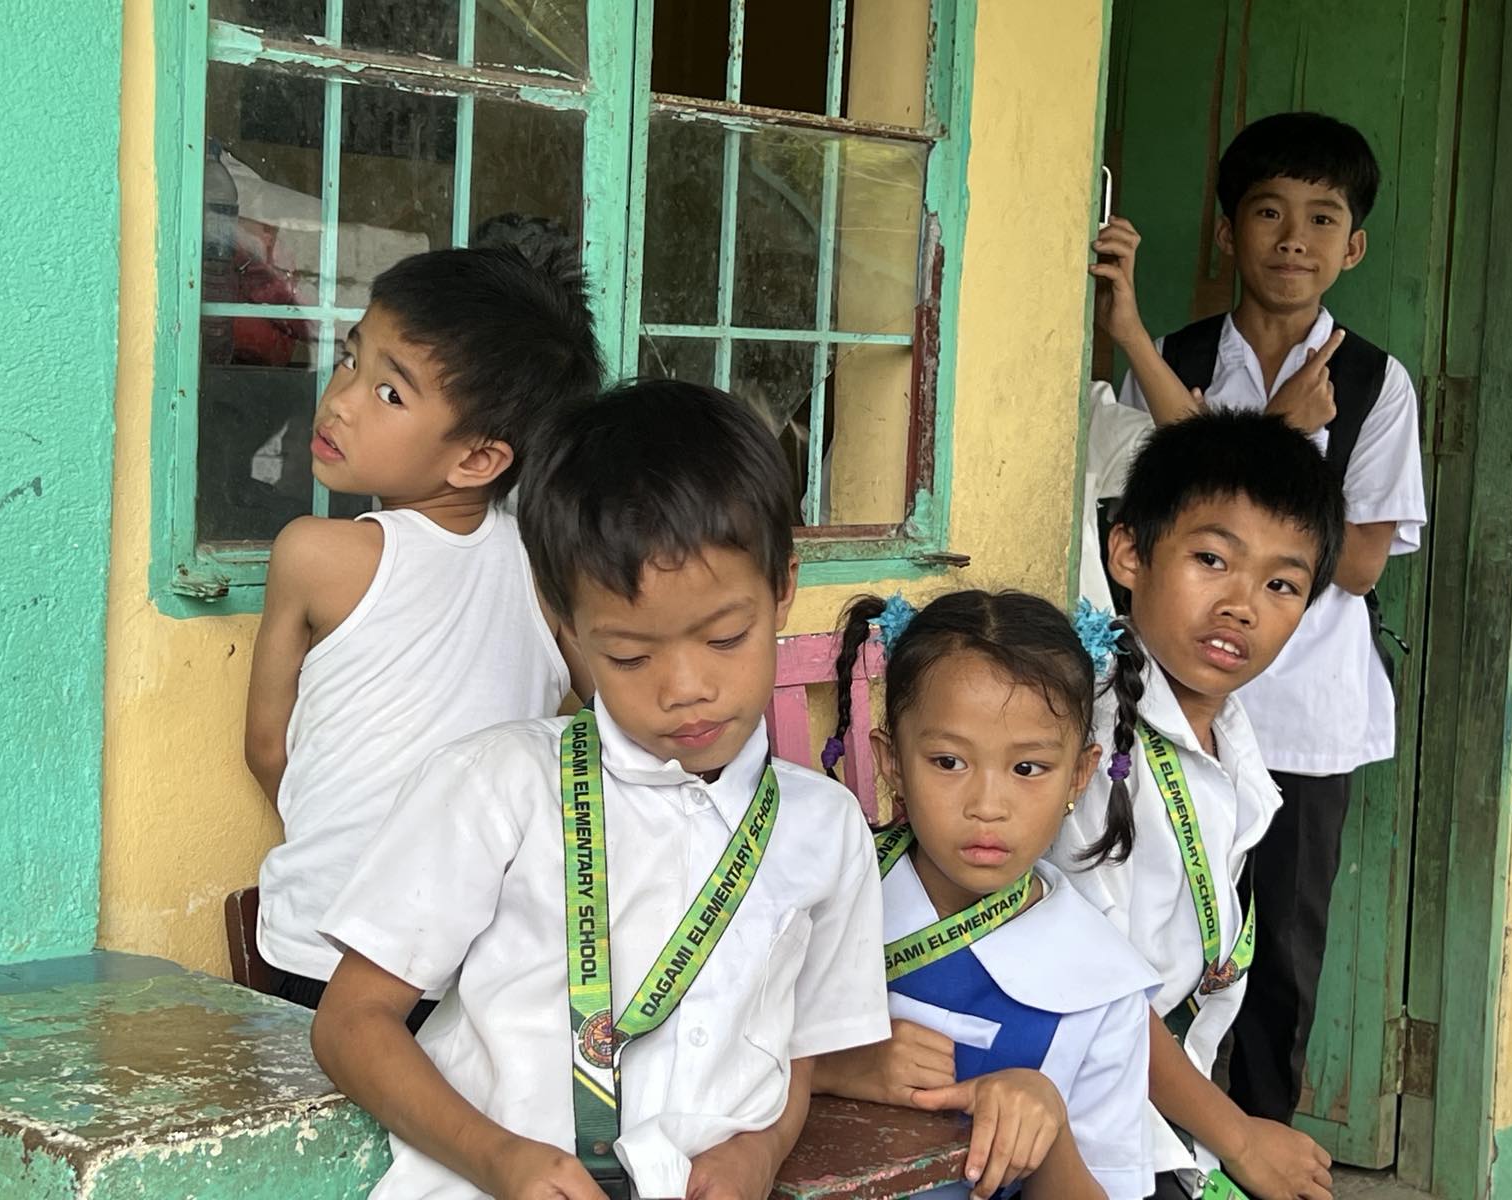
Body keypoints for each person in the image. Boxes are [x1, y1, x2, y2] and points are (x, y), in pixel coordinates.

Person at [311, 380, 891, 1200]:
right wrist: (498, 1158)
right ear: (562, 616)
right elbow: (349, 1024)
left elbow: (798, 1047)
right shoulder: (498, 786)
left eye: (726, 637)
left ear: (782, 586)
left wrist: (758, 1152)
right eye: (628, 655)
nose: (686, 686)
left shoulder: (825, 829)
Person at [1090, 111, 1427, 1125]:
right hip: (1172, 705)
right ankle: (1159, 1155)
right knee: (1157, 937)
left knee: (1276, 952)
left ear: (1352, 246)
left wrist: (1245, 474)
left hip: (1303, 724)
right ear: (1228, 230)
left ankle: (1260, 1147)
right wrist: (1275, 441)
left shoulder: (1373, 384)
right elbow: (1142, 516)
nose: (1294, 239)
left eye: (1322, 219)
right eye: (1269, 213)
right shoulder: (1180, 356)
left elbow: (1358, 562)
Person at [243, 242, 601, 1022]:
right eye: (349, 360)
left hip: (325, 949)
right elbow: (619, 715)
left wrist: (352, 852)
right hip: (487, 963)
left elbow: (269, 750)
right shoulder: (547, 574)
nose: (340, 400)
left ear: (478, 457)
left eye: (388, 393)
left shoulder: (314, 553)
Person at [1050, 411, 1346, 1200]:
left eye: (1281, 584)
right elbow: (1096, 1000)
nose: (1243, 605)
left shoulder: (1230, 740)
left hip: (1165, 1125)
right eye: (1212, 559)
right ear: (1130, 554)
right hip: (1086, 1135)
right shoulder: (1092, 752)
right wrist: (1239, 1136)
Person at [813, 590, 1160, 1200]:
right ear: (891, 762)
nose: (987, 806)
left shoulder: (1102, 987)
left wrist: (1046, 1127)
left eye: (1028, 768)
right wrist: (828, 1068)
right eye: (948, 761)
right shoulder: (820, 898)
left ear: (1079, 775)